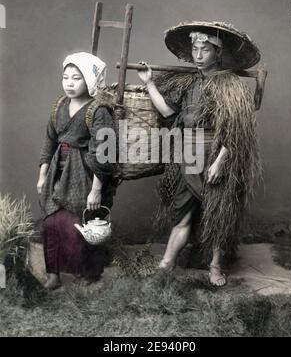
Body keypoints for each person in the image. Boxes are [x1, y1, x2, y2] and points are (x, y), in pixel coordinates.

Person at [137, 21, 261, 286]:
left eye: (205, 49)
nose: (198, 55)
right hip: (187, 155)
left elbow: (235, 130)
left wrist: (219, 162)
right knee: (182, 214)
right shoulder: (189, 83)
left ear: (217, 53)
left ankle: (215, 266)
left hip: (215, 154)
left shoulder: (230, 85)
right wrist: (149, 84)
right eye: (195, 48)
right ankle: (166, 264)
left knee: (218, 212)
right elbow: (169, 113)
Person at [37, 52, 116, 289]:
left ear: (89, 82)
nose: (69, 83)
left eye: (76, 78)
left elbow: (104, 152)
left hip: (85, 173)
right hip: (57, 173)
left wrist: (96, 190)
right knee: (50, 223)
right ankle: (54, 274)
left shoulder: (98, 111)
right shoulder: (59, 106)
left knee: (77, 223)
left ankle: (86, 274)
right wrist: (42, 175)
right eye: (66, 77)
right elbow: (49, 141)